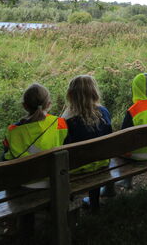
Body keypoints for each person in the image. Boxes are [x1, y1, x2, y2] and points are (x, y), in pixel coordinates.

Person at [62, 75, 112, 210]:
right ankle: (94, 203)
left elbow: (63, 148)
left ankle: (68, 203)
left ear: (71, 95)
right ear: (94, 92)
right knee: (94, 155)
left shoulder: (66, 120)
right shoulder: (104, 112)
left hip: (78, 168)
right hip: (102, 162)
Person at [2, 83, 68, 182]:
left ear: (24, 106)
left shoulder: (12, 130)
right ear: (49, 104)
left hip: (24, 182)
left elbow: (6, 158)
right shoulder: (59, 122)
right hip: (54, 178)